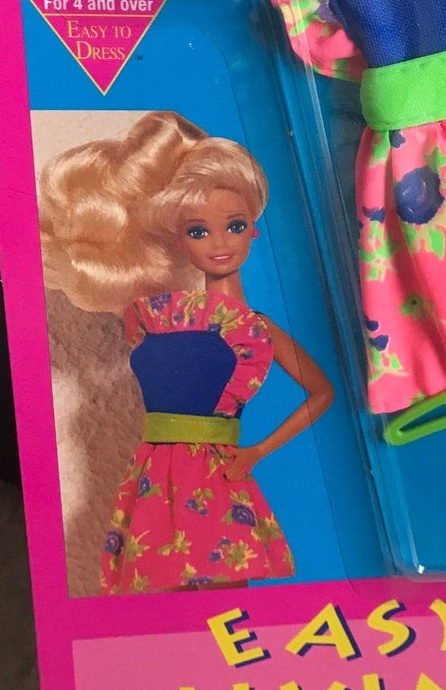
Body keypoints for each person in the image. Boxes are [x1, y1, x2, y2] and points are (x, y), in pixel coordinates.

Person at [38, 111, 333, 593]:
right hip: (151, 473)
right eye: (199, 231)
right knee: (155, 595)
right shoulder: (152, 315)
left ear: (253, 230)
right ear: (180, 239)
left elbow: (322, 393)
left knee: (221, 599)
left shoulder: (255, 329)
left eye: (234, 226)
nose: (219, 243)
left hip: (216, 473)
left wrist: (257, 452)